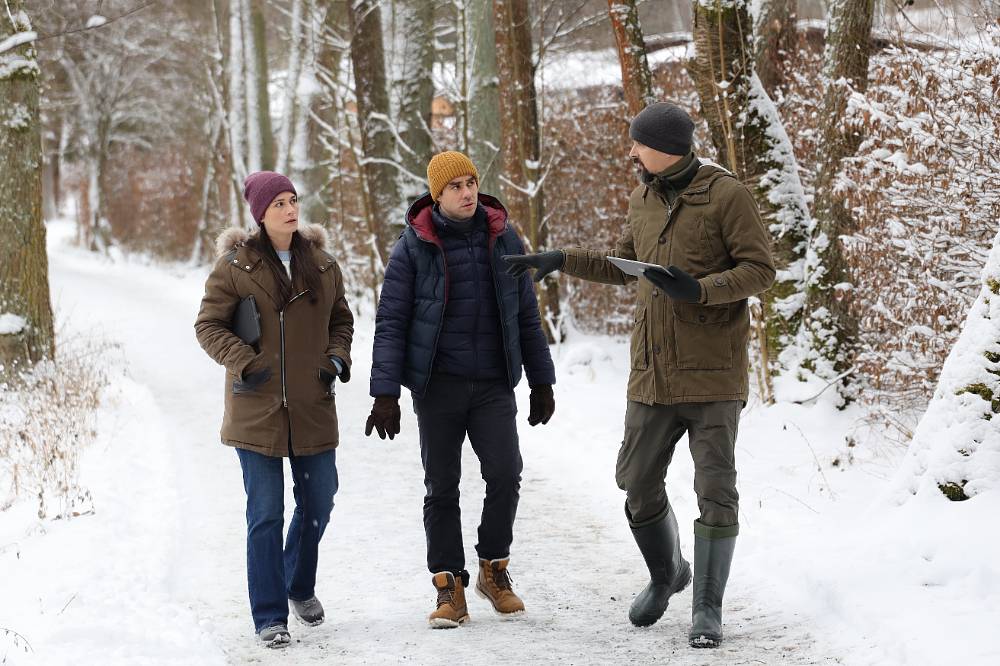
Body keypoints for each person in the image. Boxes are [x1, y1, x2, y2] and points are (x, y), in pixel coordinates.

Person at [503, 102, 775, 647]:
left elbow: (760, 270)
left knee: (715, 490)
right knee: (636, 481)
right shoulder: (642, 197)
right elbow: (625, 267)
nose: (630, 152)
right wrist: (560, 259)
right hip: (652, 375)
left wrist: (699, 288)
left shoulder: (727, 195)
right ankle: (667, 573)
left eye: (638, 144)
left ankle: (707, 609)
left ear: (666, 146)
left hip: (713, 374)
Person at [365, 151, 556, 628]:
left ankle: (494, 568)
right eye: (455, 186)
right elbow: (391, 321)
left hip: (493, 383)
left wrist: (542, 380)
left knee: (506, 473)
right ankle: (449, 585)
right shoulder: (413, 246)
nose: (467, 192)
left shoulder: (503, 236)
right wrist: (385, 393)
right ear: (437, 194)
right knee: (441, 486)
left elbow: (526, 314)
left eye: (471, 182)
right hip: (438, 386)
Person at [194, 171, 354, 648]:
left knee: (319, 500)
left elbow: (341, 318)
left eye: (293, 199)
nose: (290, 208)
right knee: (265, 512)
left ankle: (298, 585)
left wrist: (336, 358)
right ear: (260, 213)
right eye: (279, 202)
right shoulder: (234, 267)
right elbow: (208, 325)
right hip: (255, 408)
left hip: (311, 404)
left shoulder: (323, 265)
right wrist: (244, 361)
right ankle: (269, 615)